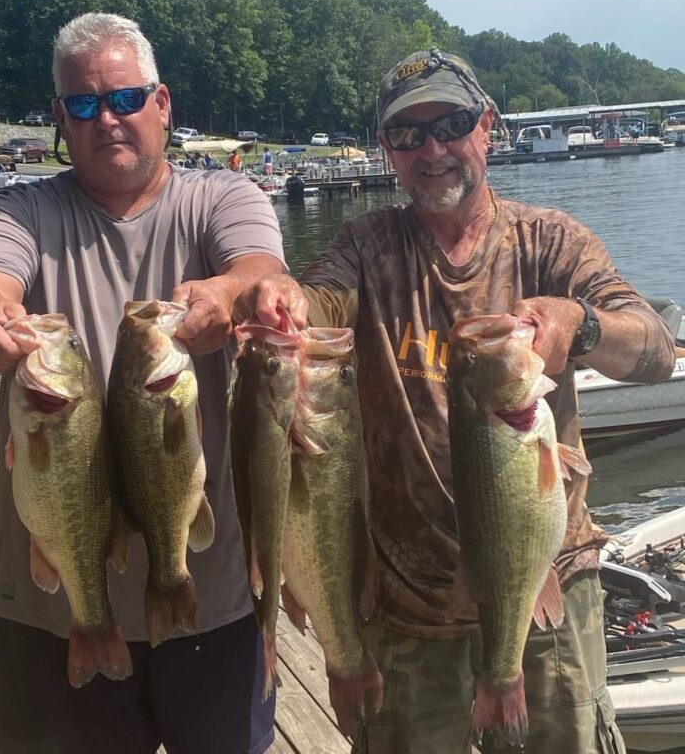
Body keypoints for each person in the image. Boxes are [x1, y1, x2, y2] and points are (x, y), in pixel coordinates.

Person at [240, 48, 676, 753]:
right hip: (408, 607)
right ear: (387, 148)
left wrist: (580, 324)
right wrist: (286, 301)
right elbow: (317, 298)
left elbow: (654, 349)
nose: (432, 149)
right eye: (408, 135)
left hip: (548, 594)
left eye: (451, 123)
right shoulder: (366, 246)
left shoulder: (551, 241)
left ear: (488, 126)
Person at [0, 12, 285, 754]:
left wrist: (231, 294)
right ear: (62, 120)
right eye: (86, 106)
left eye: (126, 100)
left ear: (162, 106)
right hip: (55, 601)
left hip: (209, 591)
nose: (109, 121)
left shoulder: (221, 199)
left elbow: (259, 269)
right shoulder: (22, 210)